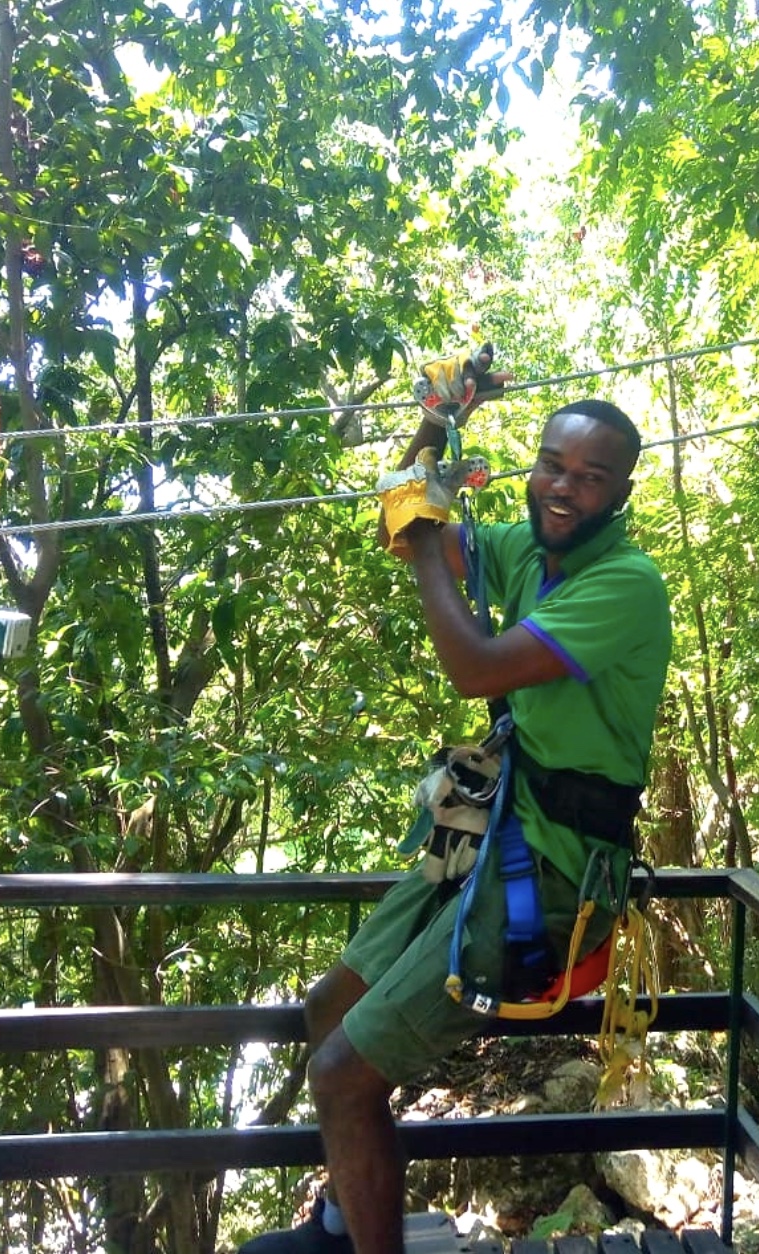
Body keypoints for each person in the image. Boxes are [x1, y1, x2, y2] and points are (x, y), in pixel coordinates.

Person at [240, 369, 672, 1254]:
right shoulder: (527, 550)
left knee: (341, 1074)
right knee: (331, 1007)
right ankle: (346, 1220)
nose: (563, 484)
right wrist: (435, 426)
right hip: (490, 825)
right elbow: (404, 525)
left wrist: (435, 540)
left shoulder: (625, 584)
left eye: (591, 476)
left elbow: (473, 665)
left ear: (622, 491)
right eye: (554, 464)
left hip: (552, 868)